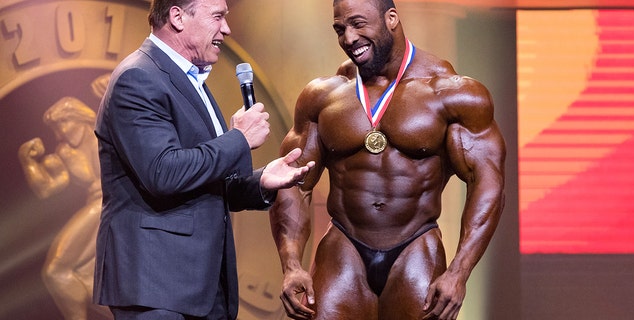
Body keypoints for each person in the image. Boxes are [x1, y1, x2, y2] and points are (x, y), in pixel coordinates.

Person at [269, 0, 506, 319]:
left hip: (415, 247)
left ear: (391, 18)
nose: (349, 38)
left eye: (358, 24)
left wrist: (459, 273)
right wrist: (292, 264)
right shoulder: (323, 96)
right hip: (344, 246)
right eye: (340, 29)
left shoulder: (452, 93)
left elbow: (487, 185)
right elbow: (294, 184)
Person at [92, 0, 314, 319]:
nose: (226, 28)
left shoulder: (190, 82)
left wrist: (261, 181)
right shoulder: (137, 78)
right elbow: (163, 173)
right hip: (157, 288)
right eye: (218, 17)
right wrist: (238, 138)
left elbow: (201, 180)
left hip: (201, 288)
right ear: (178, 17)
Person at [18, 85, 111, 320]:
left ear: (77, 116)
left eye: (62, 124)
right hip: (98, 207)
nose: (60, 133)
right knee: (71, 275)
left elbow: (137, 124)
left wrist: (112, 89)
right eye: (55, 128)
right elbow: (47, 188)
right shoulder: (64, 152)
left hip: (117, 203)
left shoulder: (106, 130)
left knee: (56, 270)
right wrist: (28, 161)